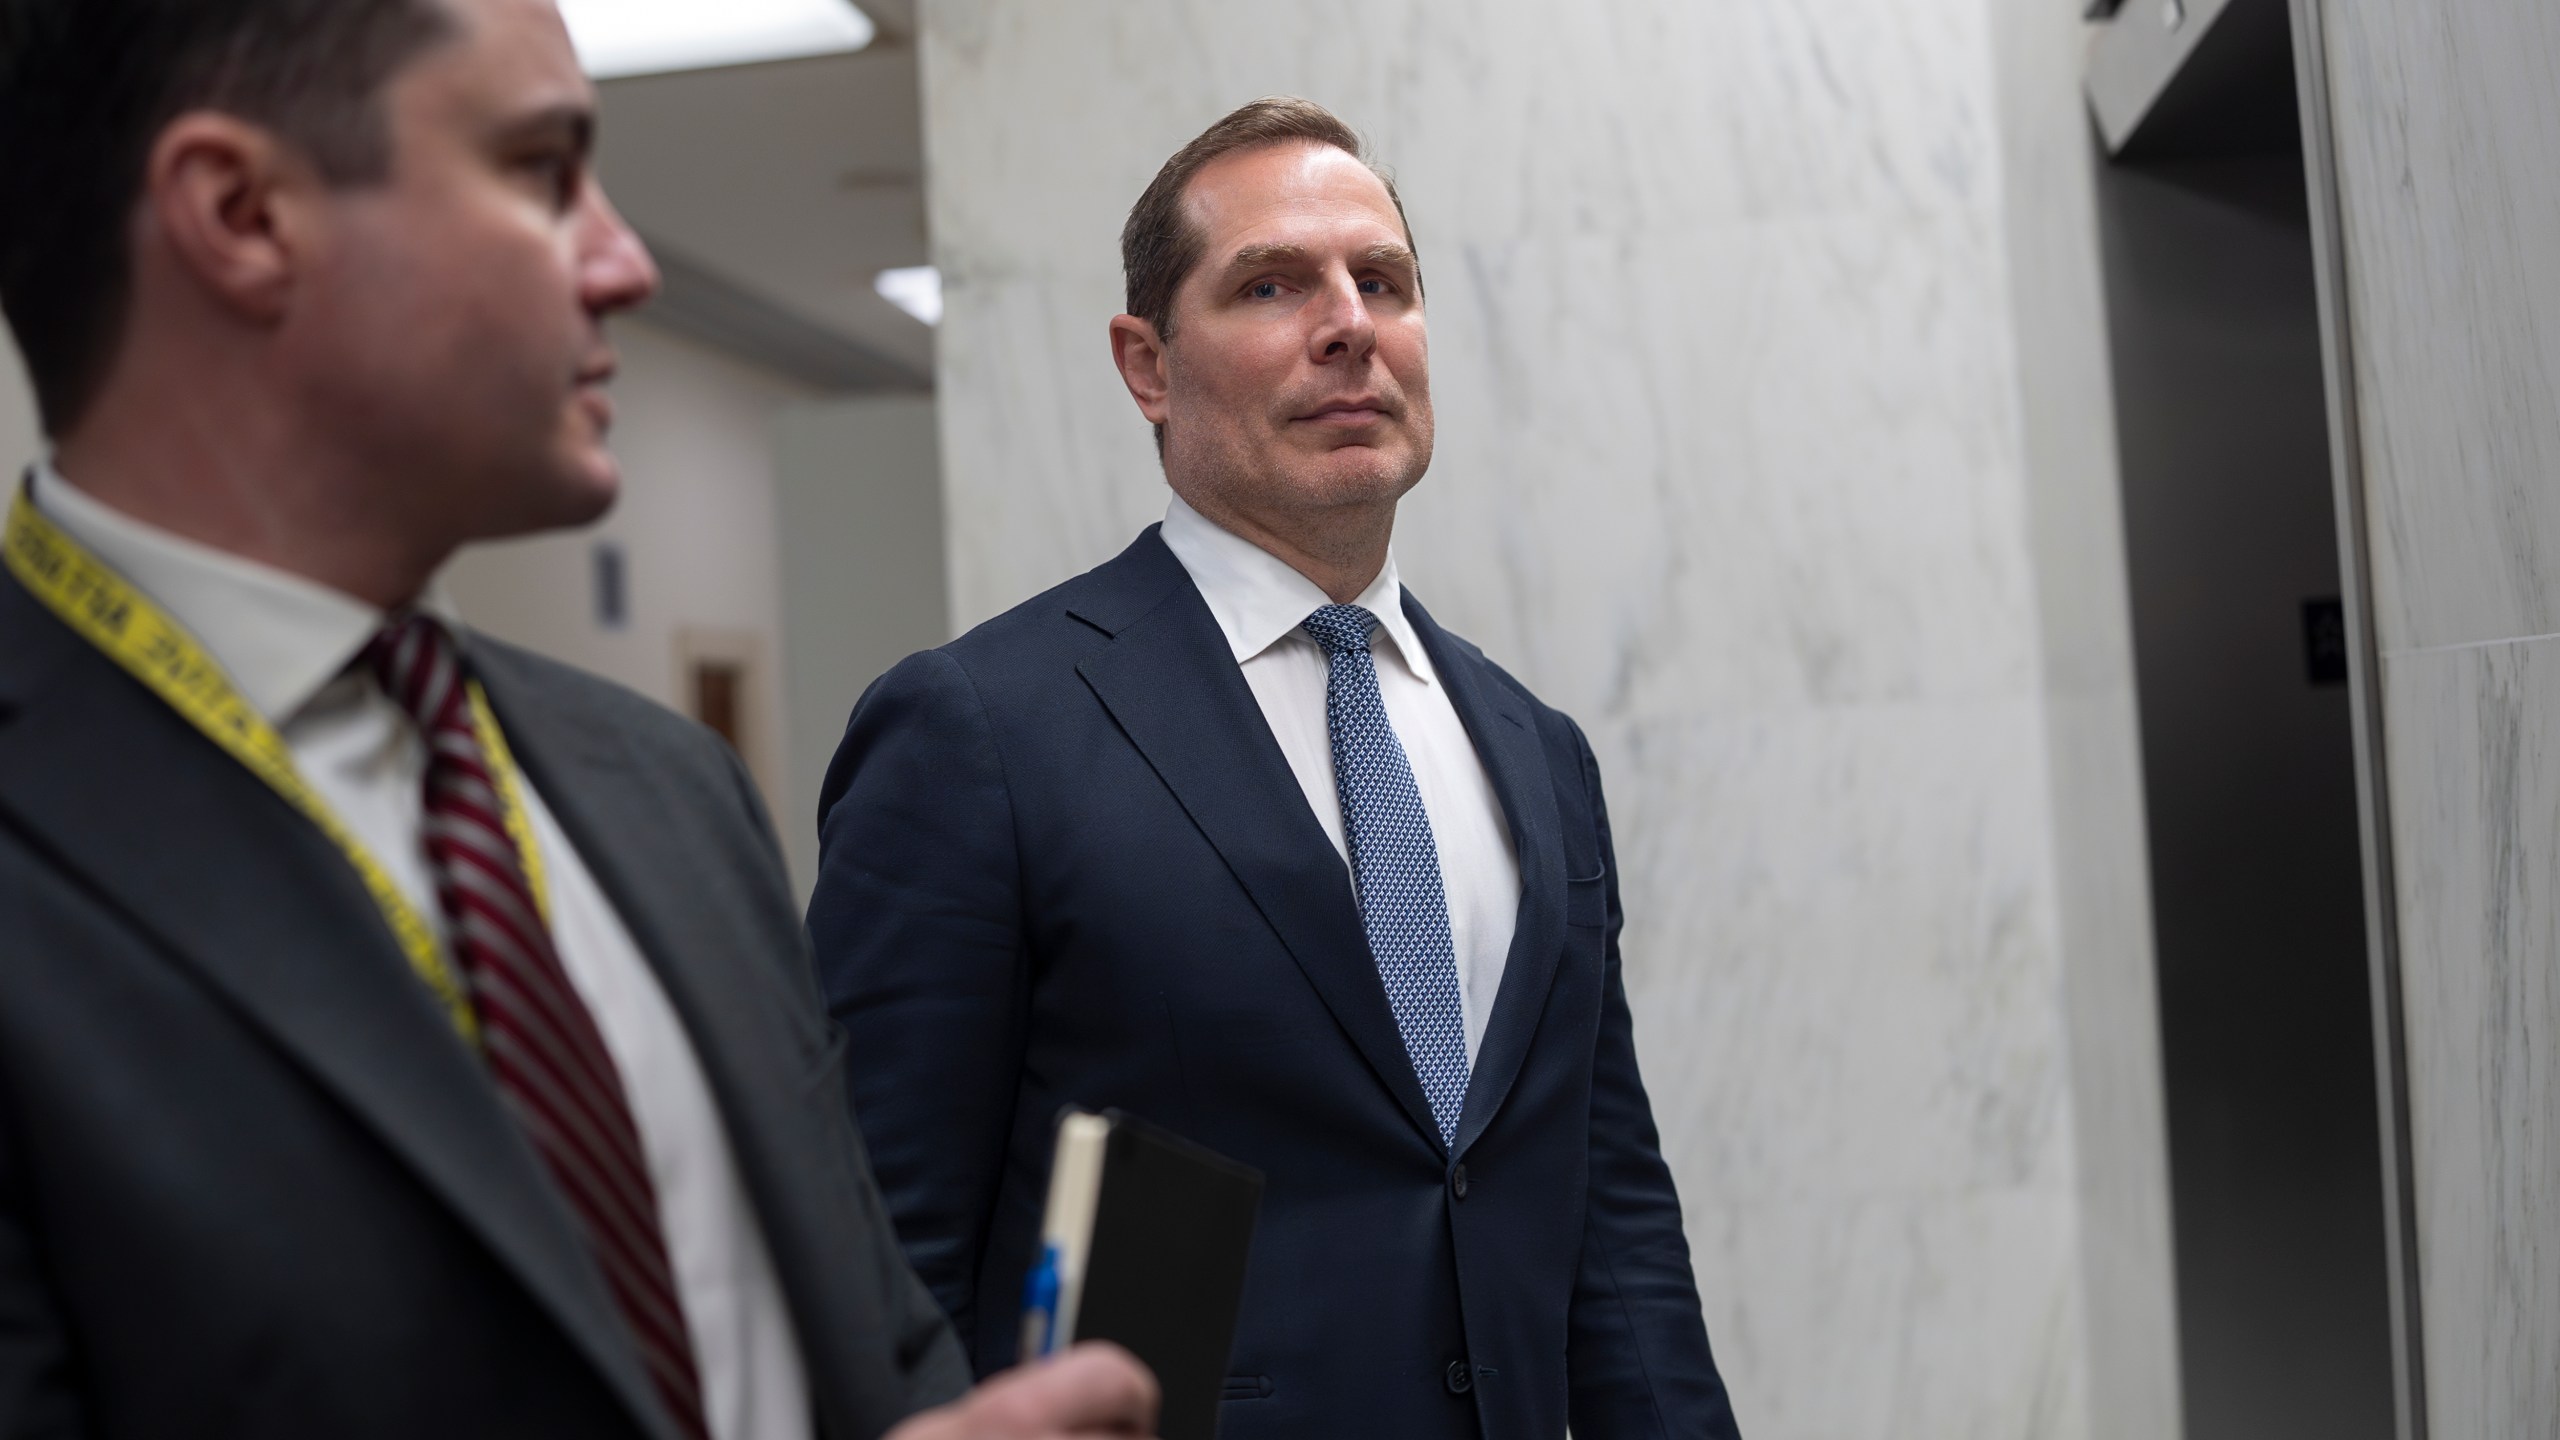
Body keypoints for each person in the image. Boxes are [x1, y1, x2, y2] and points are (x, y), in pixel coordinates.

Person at [0, 1, 1158, 1437]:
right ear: (243, 216)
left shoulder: (670, 792)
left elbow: (868, 1340)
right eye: (546, 170)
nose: (627, 261)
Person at [808, 98, 1742, 1440]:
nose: (1349, 322)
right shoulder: (977, 734)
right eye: (1270, 284)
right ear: (1148, 366)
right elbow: (879, 1259)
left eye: (1385, 282)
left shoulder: (1538, 753)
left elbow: (1616, 1234)